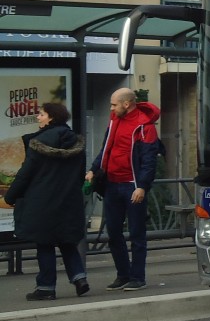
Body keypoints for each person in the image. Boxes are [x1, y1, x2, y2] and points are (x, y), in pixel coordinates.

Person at [6, 102, 90, 301]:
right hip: (69, 201)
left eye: (41, 114)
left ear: (51, 117)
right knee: (67, 241)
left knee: (45, 244)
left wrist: (10, 196)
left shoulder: (38, 143)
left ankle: (46, 287)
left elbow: (25, 175)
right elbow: (80, 176)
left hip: (42, 202)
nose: (37, 117)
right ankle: (79, 278)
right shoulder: (76, 144)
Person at [85, 88, 161, 292]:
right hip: (112, 184)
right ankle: (123, 274)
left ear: (126, 104)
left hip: (132, 186)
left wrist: (142, 187)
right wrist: (94, 169)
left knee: (136, 233)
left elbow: (149, 161)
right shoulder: (114, 120)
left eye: (113, 104)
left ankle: (138, 277)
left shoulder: (145, 126)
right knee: (114, 233)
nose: (111, 108)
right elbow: (106, 148)